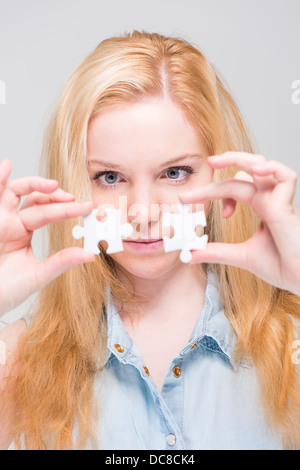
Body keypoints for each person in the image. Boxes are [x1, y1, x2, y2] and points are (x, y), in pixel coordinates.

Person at [0, 29, 300, 451]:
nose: (142, 213)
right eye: (109, 177)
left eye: (174, 172)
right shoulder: (16, 361)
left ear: (219, 173)